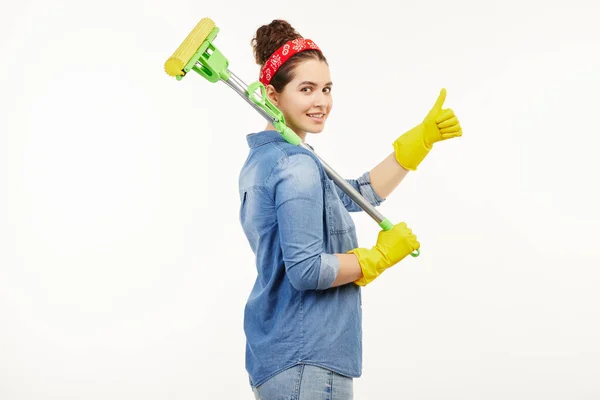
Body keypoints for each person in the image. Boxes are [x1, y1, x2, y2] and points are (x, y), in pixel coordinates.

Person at [238, 20, 462, 400]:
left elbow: (351, 196)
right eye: (306, 89)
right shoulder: (295, 165)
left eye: (326, 88)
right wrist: (377, 258)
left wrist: (416, 145)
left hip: (286, 357)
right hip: (307, 360)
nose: (321, 101)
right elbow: (307, 270)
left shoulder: (270, 159)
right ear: (272, 97)